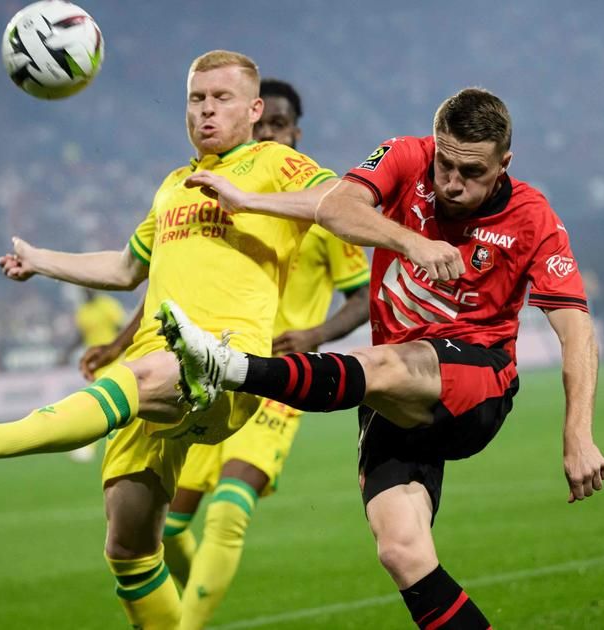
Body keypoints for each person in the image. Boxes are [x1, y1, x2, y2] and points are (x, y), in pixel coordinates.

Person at [0, 50, 337, 629]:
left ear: (254, 110)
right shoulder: (175, 185)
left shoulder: (275, 164)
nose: (205, 111)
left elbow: (340, 200)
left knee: (151, 384)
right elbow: (129, 268)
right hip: (157, 360)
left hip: (223, 365)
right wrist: (42, 260)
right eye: (196, 99)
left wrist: (251, 201)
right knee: (129, 546)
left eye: (221, 99)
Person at [160, 87, 604, 629]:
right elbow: (337, 205)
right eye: (445, 164)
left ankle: (227, 368)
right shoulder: (405, 156)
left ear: (504, 164)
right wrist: (407, 242)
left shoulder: (532, 218)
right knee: (402, 551)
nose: (451, 182)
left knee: (383, 365)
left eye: (472, 171)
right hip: (393, 400)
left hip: (475, 384)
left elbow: (576, 331)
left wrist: (577, 433)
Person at [81, 78, 371, 629]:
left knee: (229, 512)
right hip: (205, 372)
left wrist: (314, 337)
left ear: (295, 132)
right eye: (261, 127)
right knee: (164, 529)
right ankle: (186, 612)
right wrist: (118, 345)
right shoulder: (216, 190)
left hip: (275, 377)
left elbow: (363, 299)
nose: (268, 135)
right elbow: (172, 284)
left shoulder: (316, 208)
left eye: (278, 126)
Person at [65, 288, 128, 462]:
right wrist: (66, 352)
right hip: (95, 364)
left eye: (89, 287)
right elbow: (80, 335)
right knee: (100, 403)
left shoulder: (108, 305)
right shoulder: (82, 312)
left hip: (114, 361)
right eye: (84, 288)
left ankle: (88, 446)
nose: (87, 291)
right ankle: (93, 444)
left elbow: (123, 329)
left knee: (98, 403)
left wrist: (118, 349)